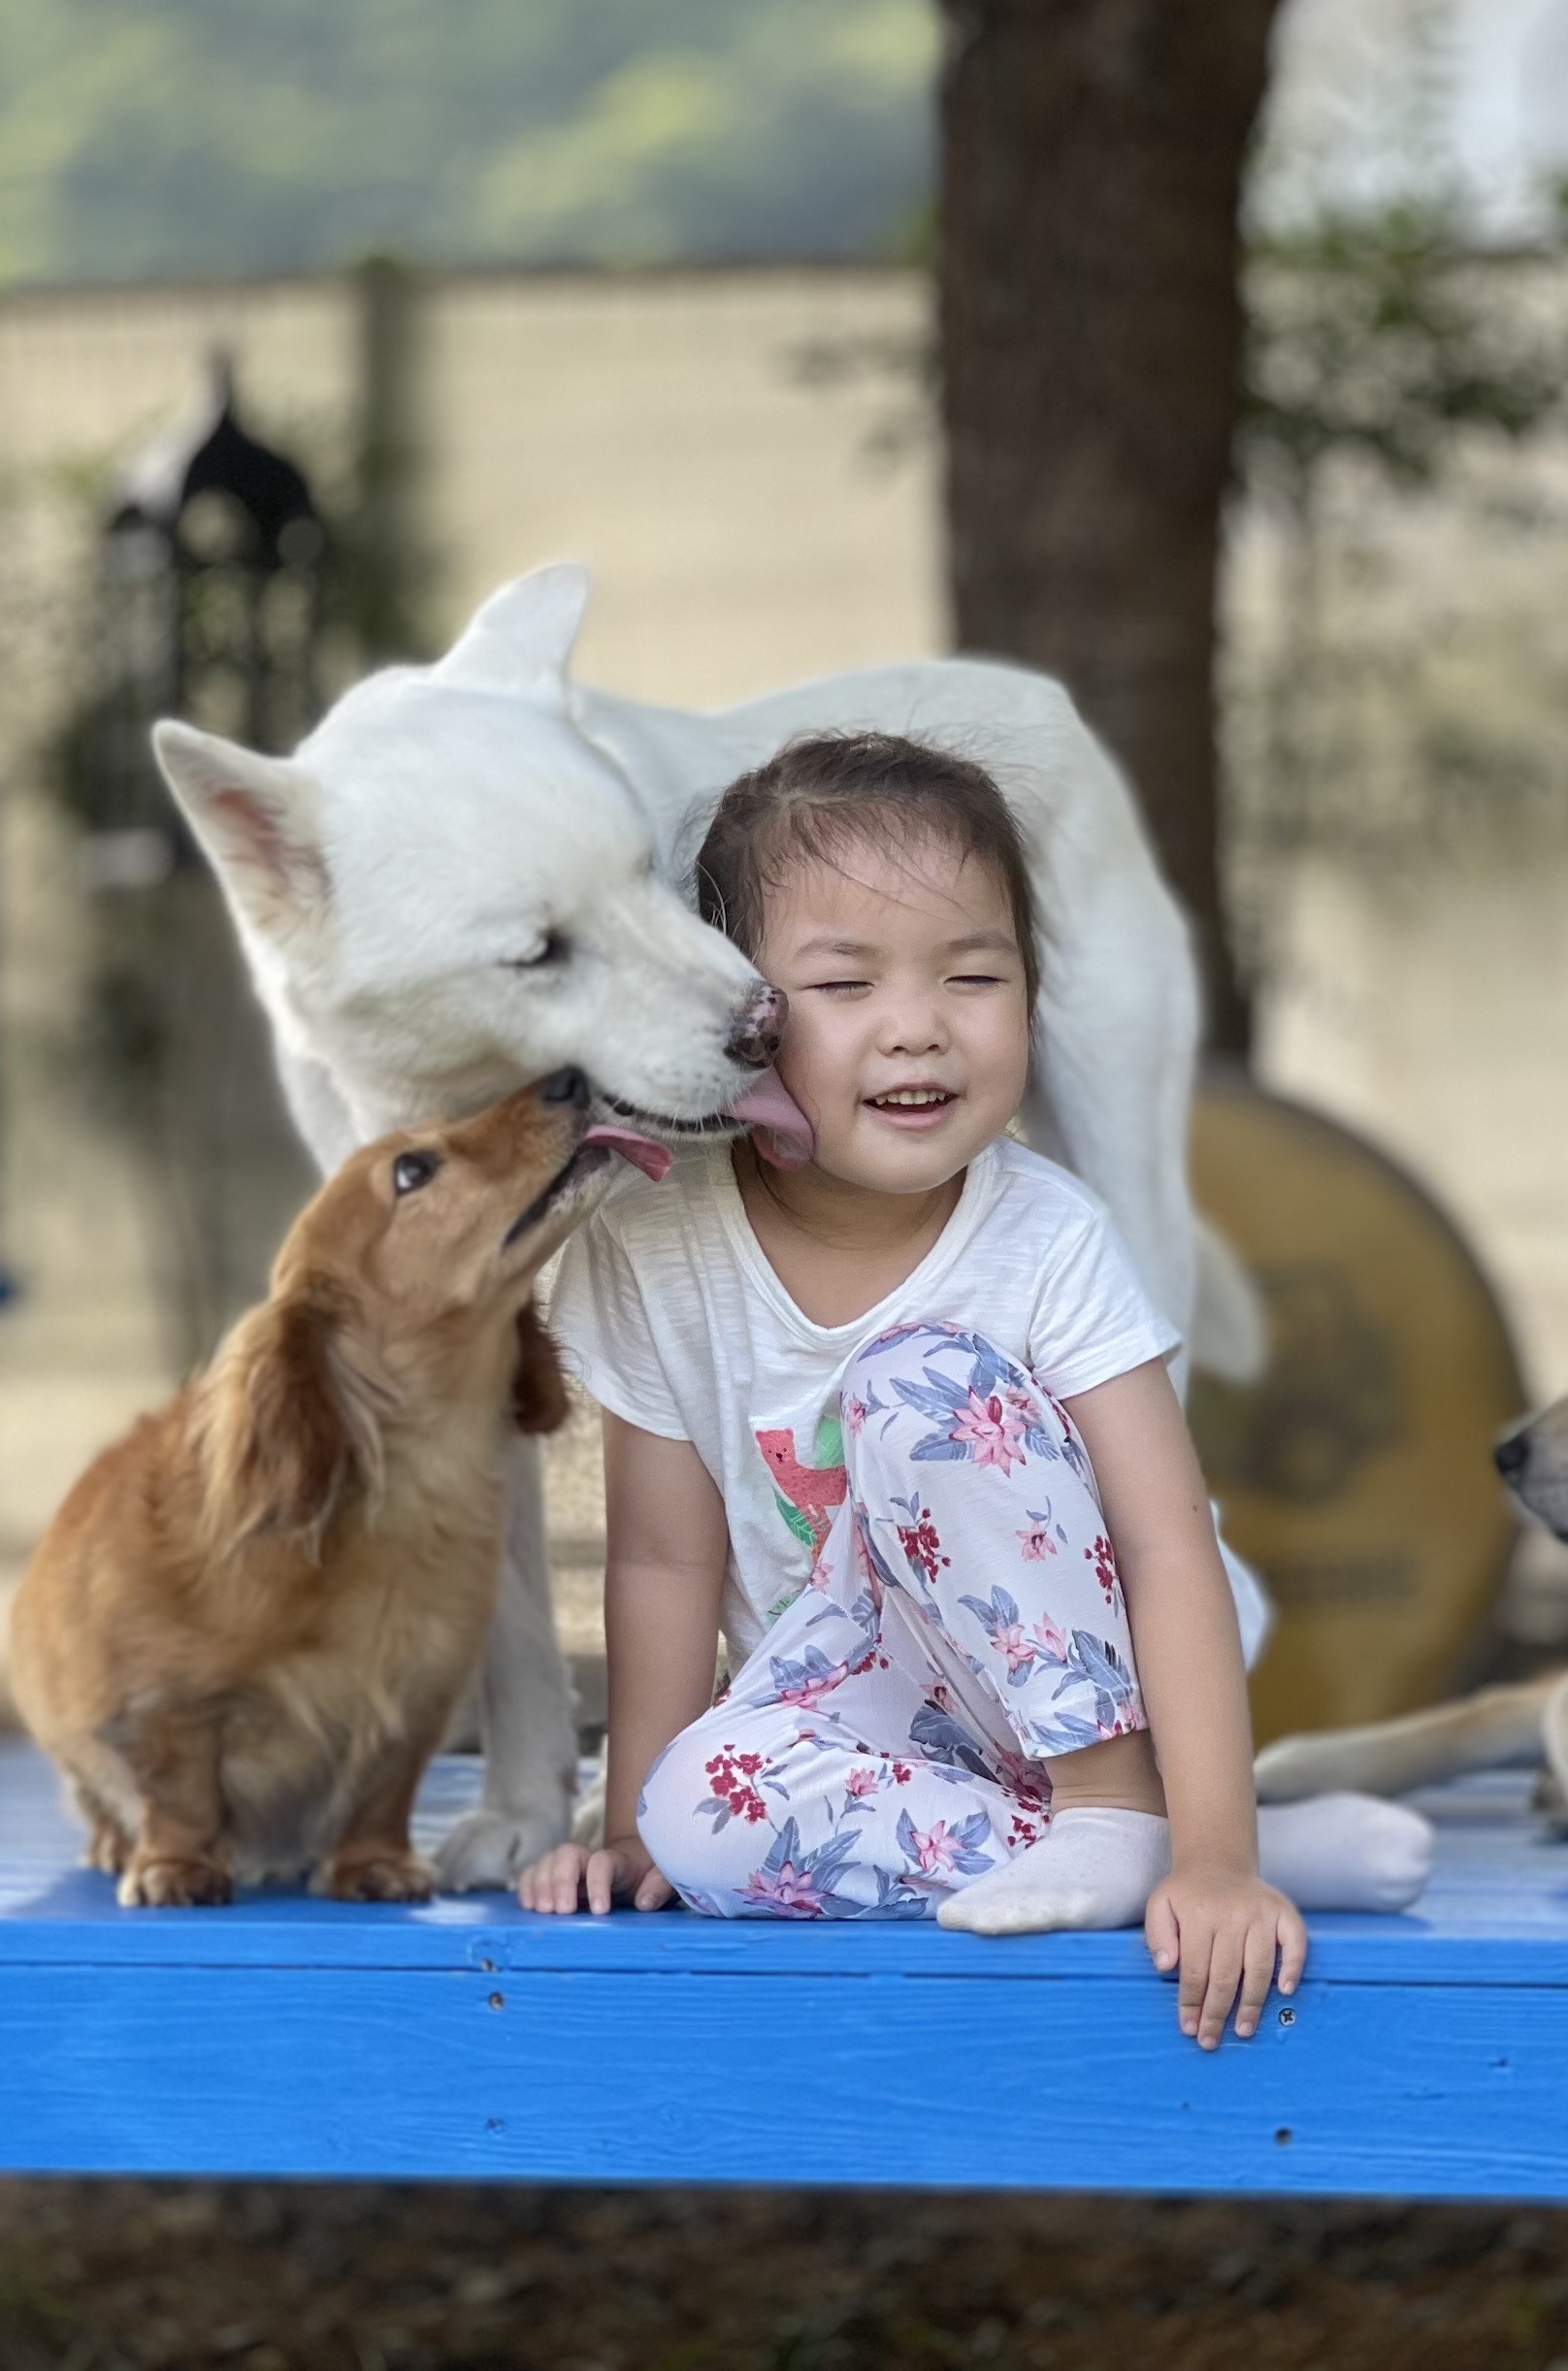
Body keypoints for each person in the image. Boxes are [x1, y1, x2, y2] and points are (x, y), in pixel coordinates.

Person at [514, 732, 1430, 2047]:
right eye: (844, 982)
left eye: (975, 975)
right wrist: (624, 1835)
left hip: (1099, 1680)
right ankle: (1127, 1843)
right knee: (693, 1816)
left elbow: (1167, 1546)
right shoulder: (659, 1244)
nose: (918, 1025)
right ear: (741, 1015)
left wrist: (1220, 1866)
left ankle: (1141, 1810)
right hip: (879, 1733)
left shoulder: (1043, 1238)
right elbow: (664, 1562)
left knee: (915, 1386)